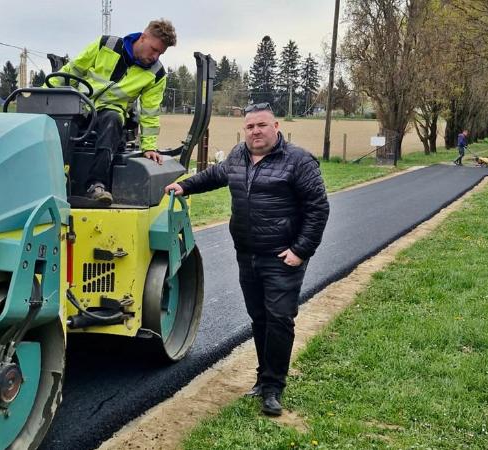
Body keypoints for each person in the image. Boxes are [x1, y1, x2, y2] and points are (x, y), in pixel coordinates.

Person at [164, 103, 330, 416]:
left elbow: (318, 209)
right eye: (250, 126)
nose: (256, 131)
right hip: (247, 255)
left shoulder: (298, 161)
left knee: (279, 318)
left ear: (276, 126)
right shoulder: (238, 156)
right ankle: (262, 377)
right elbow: (214, 175)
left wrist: (300, 251)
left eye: (262, 125)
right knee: (260, 318)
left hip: (282, 257)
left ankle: (273, 388)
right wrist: (185, 185)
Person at [59, 19, 176, 205]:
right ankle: (55, 179)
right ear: (143, 37)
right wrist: (43, 96)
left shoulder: (156, 74)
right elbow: (73, 70)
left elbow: (150, 112)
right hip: (81, 104)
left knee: (112, 120)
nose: (155, 57)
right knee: (59, 121)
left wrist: (149, 147)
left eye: (160, 53)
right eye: (154, 49)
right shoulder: (106, 45)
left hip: (110, 112)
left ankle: (96, 185)